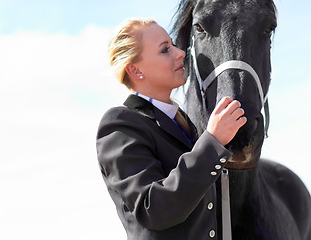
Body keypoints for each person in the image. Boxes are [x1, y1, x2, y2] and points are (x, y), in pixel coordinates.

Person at [96, 17, 247, 240]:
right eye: (165, 49)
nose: (180, 53)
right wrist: (213, 142)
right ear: (135, 70)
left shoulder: (185, 123)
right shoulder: (120, 124)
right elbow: (154, 210)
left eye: (173, 45)